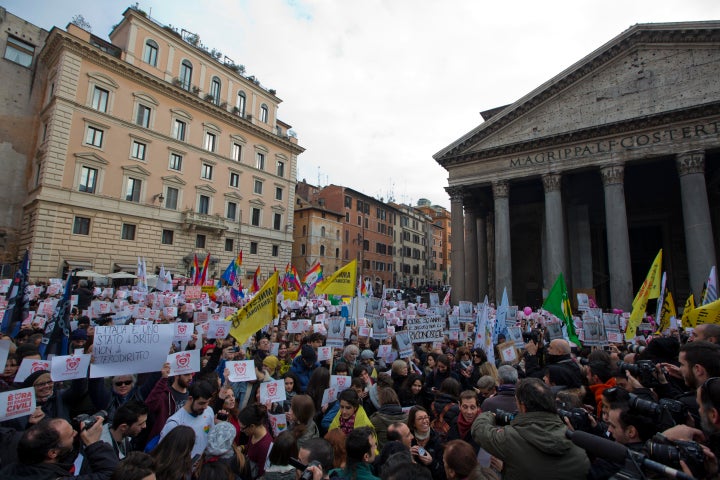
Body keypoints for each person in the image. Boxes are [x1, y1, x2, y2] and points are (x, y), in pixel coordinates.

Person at [471, 377, 590, 479]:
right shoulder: (579, 451)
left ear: (522, 406)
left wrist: (489, 415)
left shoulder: (511, 439)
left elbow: (479, 429)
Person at [0, 415, 118, 480]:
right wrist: (94, 444)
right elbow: (112, 475)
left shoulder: (10, 467)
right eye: (71, 434)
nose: (76, 433)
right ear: (52, 453)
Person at [160, 380, 216, 458]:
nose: (205, 407)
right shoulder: (174, 423)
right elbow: (163, 454)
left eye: (208, 402)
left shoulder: (209, 411)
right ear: (190, 399)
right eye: (201, 403)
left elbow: (210, 438)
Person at [145, 363, 193, 443]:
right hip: (164, 443)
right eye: (186, 374)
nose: (190, 378)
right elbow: (149, 407)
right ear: (176, 375)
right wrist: (163, 379)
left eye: (191, 374)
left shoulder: (192, 396)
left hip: (184, 442)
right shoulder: (165, 394)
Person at [406, 406, 444, 479]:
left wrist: (431, 462)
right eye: (420, 418)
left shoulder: (438, 438)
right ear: (413, 423)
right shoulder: (409, 439)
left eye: (426, 417)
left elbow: (443, 473)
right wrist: (408, 455)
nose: (425, 421)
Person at [237, 403, 273, 479]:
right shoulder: (253, 433)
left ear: (252, 426)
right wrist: (242, 448)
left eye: (243, 428)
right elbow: (250, 447)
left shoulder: (265, 446)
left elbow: (261, 473)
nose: (241, 430)